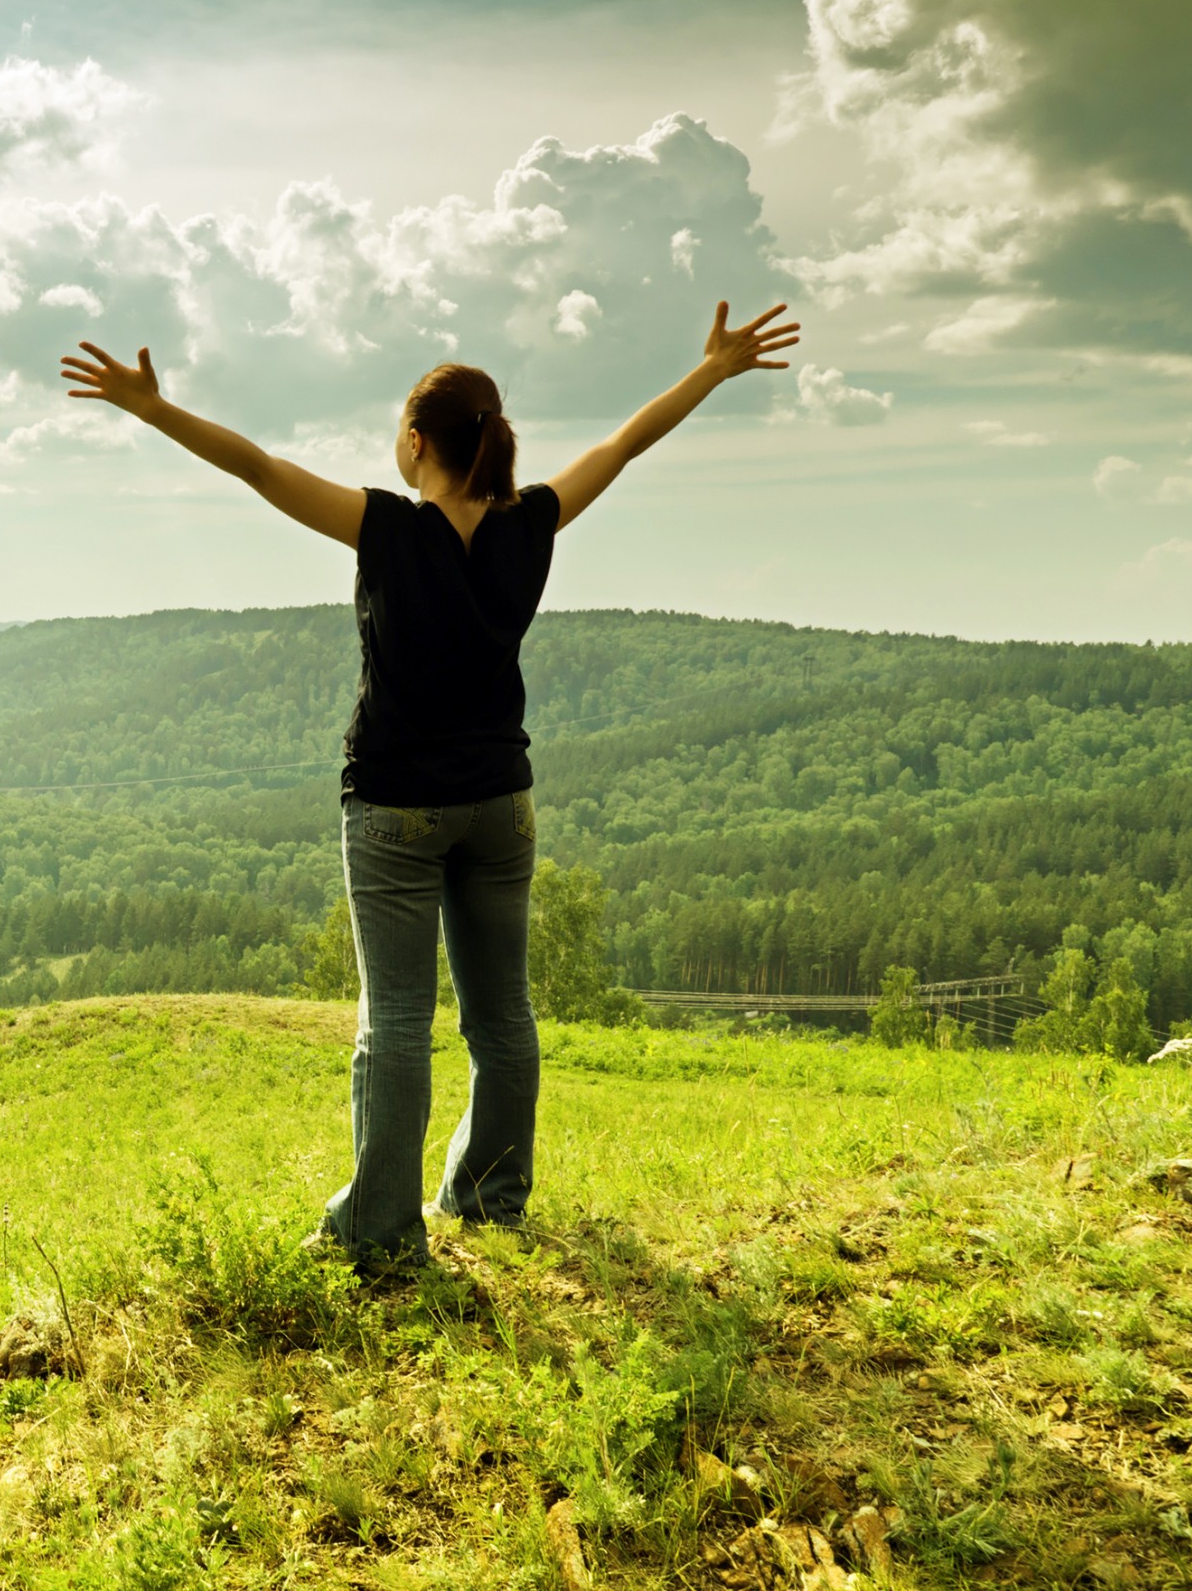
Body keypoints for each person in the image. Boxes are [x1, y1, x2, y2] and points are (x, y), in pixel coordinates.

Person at [60, 302, 801, 1269]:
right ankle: (491, 1202)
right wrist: (710, 371)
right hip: (503, 802)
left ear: (417, 443)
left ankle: (382, 1230)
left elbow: (255, 467)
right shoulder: (530, 522)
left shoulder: (385, 527)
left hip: (395, 808)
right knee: (504, 1015)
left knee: (397, 1023)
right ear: (492, 443)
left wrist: (152, 409)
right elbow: (623, 445)